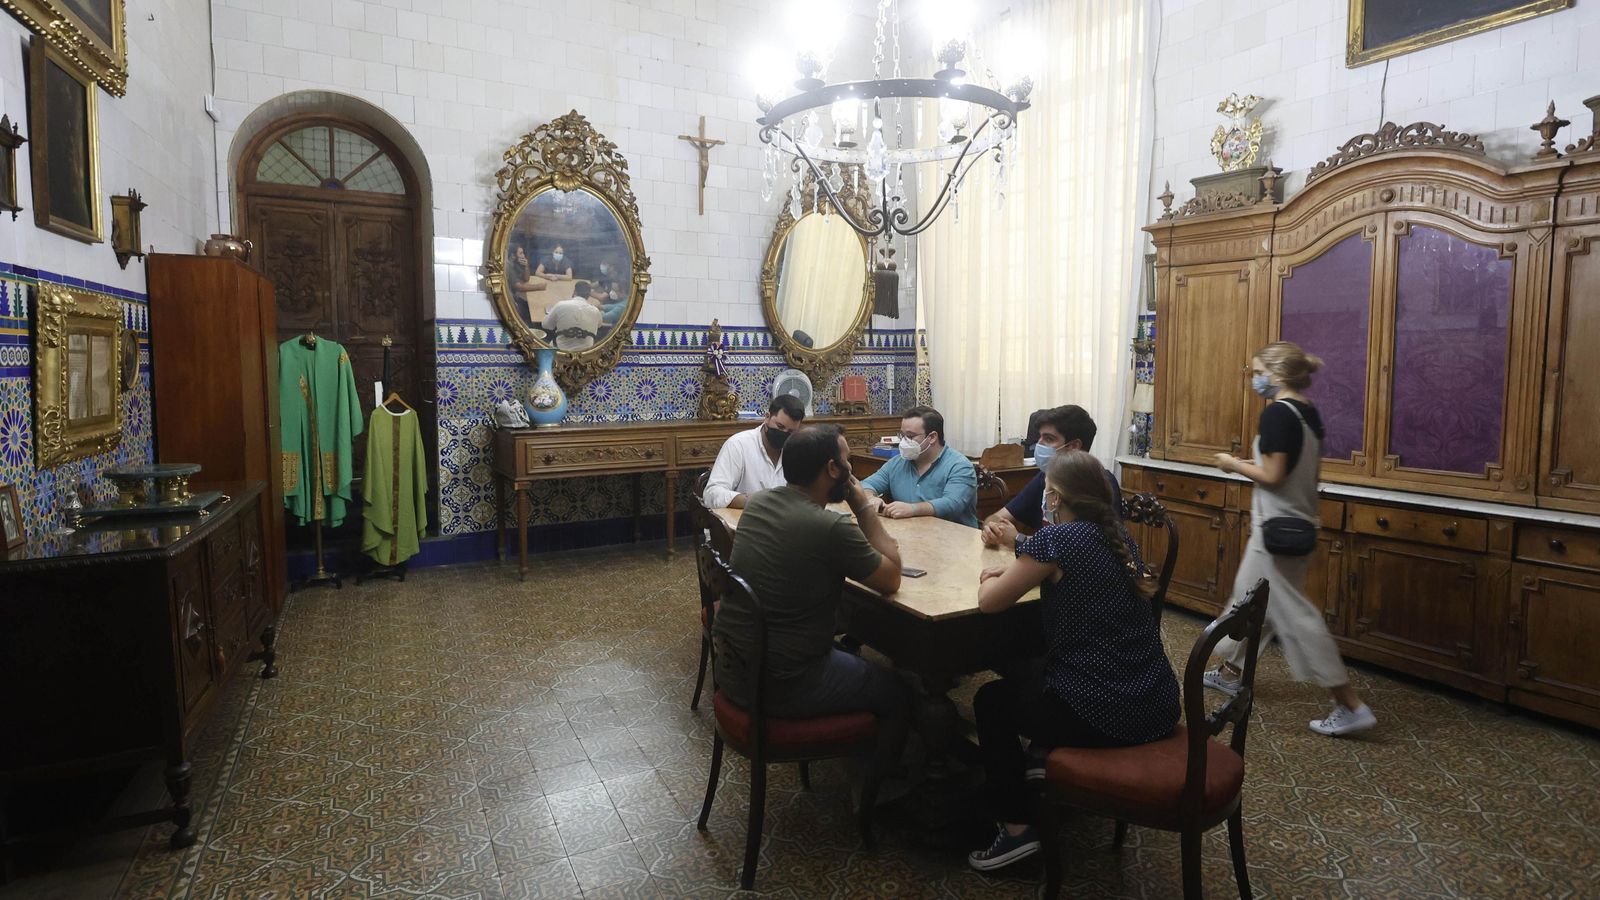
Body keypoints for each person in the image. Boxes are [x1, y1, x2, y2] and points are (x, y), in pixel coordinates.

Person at [966, 449, 1180, 871]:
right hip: (1155, 702)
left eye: (1046, 493)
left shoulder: (1057, 541)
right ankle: (1037, 768)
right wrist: (1021, 558)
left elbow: (991, 604)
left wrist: (990, 578)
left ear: (1057, 499)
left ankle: (1016, 831)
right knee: (1024, 668)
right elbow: (1060, 557)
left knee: (991, 700)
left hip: (1103, 713)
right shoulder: (1116, 534)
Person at [712, 425, 910, 772]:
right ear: (833, 469)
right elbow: (892, 576)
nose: (851, 469)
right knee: (900, 690)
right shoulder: (830, 527)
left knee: (850, 651)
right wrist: (861, 504)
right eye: (847, 460)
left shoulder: (758, 503)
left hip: (735, 670)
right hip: (785, 685)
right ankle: (882, 794)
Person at [1206, 341, 1377, 737]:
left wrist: (1232, 464)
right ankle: (1231, 672)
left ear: (1277, 375)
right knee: (1251, 601)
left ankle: (1349, 704)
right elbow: (1306, 476)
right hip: (1297, 524)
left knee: (1295, 615)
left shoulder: (1278, 415)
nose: (1255, 379)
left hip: (1275, 531)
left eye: (1257, 372)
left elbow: (1273, 476)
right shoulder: (1307, 412)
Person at [981, 405, 1120, 550]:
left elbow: (1084, 550)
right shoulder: (1045, 476)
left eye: (1048, 438)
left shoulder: (1101, 483)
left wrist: (1019, 539)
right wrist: (992, 529)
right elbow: (996, 517)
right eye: (1039, 437)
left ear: (1073, 446)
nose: (1039, 444)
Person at [861, 406, 980, 527]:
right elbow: (866, 485)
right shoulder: (898, 462)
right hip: (911, 533)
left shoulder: (960, 466)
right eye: (902, 436)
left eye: (910, 436)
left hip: (955, 538)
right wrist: (871, 498)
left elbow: (952, 503)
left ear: (932, 437)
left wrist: (912, 509)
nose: (904, 442)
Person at [702, 395, 806, 509]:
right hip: (744, 521)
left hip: (783, 522)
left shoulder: (797, 450)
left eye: (791, 432)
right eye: (780, 426)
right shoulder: (738, 445)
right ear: (767, 417)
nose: (784, 434)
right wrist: (751, 501)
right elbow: (712, 493)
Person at [541, 281, 602, 351]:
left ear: (575, 292)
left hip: (560, 352)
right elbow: (599, 325)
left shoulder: (561, 305)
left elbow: (546, 325)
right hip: (585, 354)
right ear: (589, 295)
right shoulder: (595, 311)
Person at [507, 245, 548, 322]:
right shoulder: (508, 266)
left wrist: (526, 266)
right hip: (513, 299)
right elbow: (519, 287)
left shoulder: (516, 264)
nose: (523, 255)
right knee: (532, 310)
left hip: (517, 295)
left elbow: (526, 279)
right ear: (513, 256)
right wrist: (539, 287)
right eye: (521, 253)